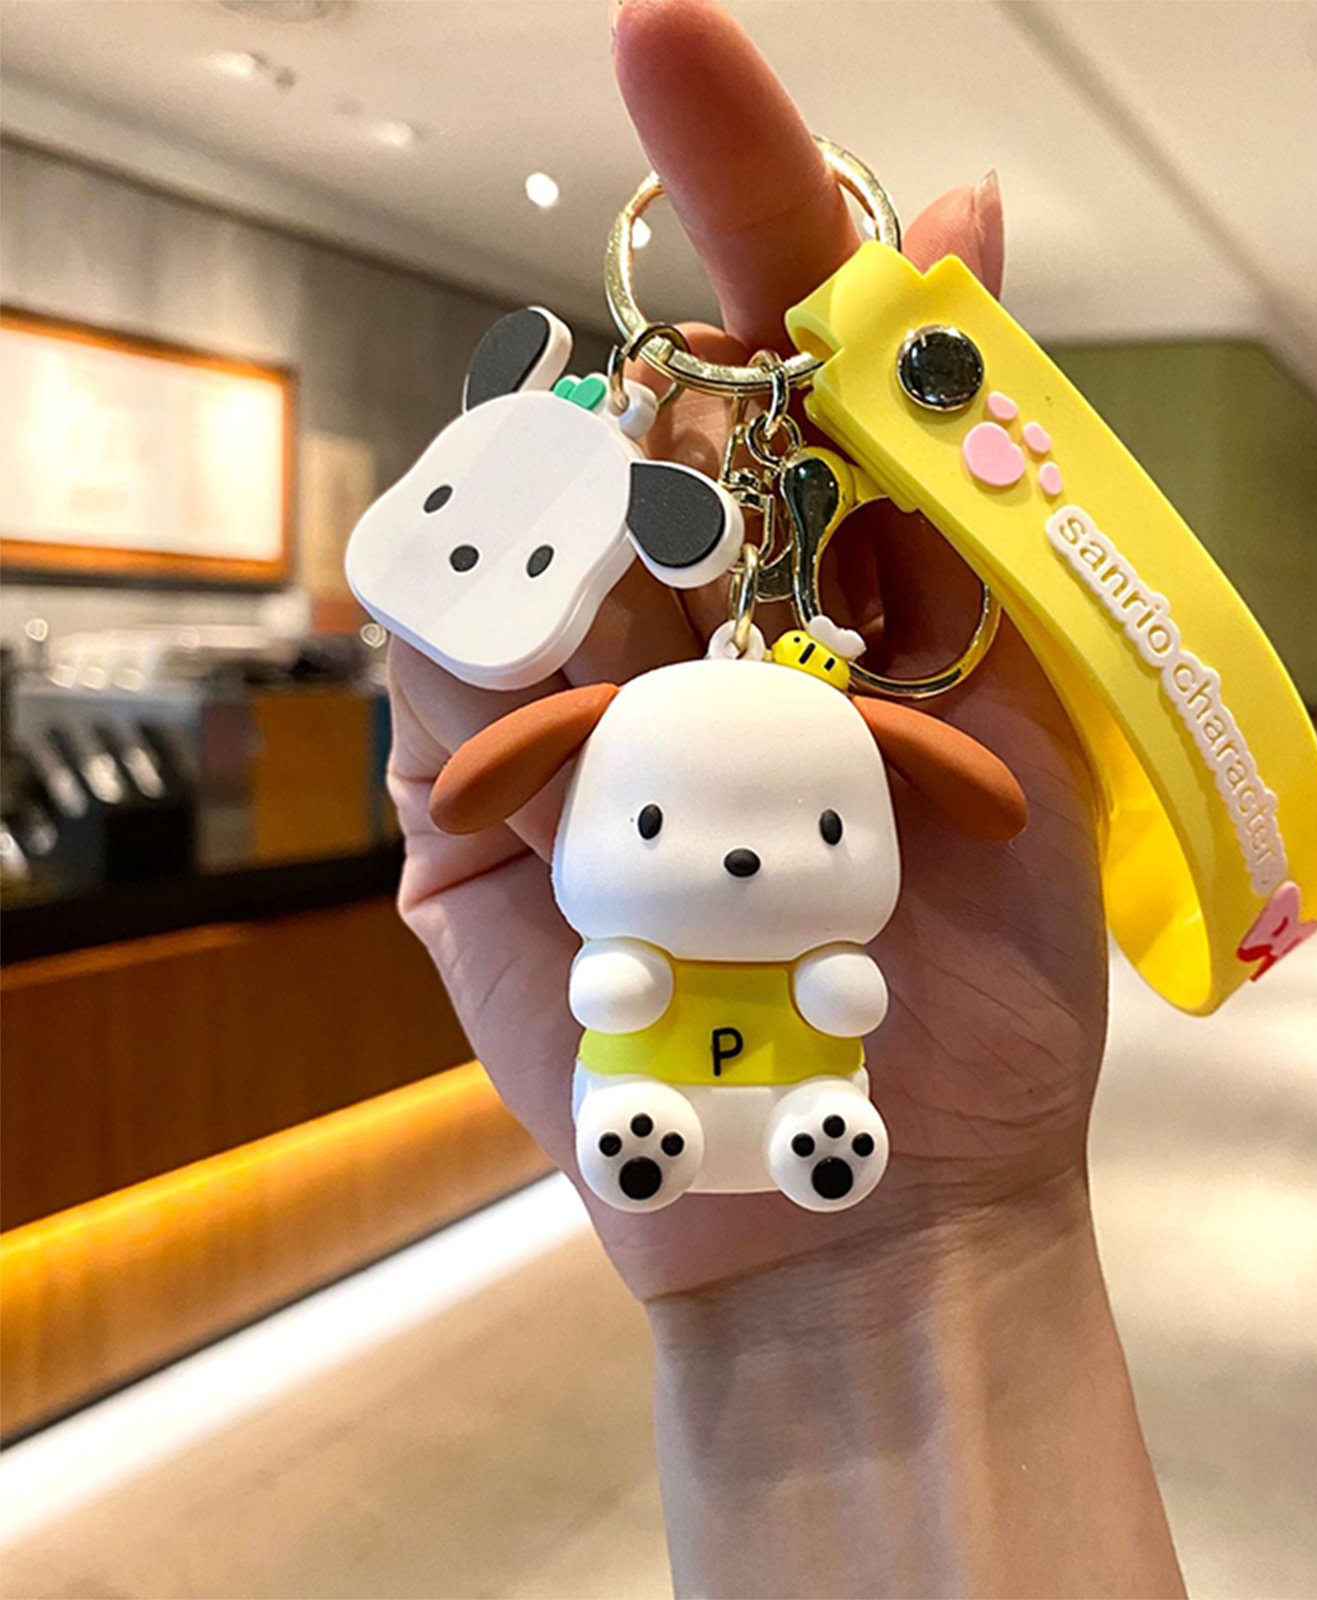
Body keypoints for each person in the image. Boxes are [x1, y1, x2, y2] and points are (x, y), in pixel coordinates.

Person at [388, 2, 1185, 1593]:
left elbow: (839, 952)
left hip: (812, 1066)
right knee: (669, 1073)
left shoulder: (789, 849)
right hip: (684, 1054)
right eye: (656, 831)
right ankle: (679, 1130)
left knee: (794, 1085)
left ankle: (801, 1129)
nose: (749, 858)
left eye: (824, 831)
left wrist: (957, 1248)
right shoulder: (672, 776)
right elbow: (613, 947)